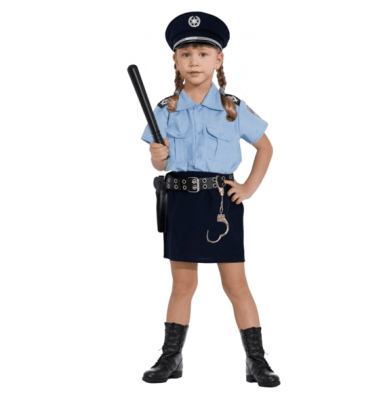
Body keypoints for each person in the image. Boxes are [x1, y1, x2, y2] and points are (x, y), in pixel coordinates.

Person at [140, 11, 280, 388]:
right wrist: (157, 157)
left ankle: (256, 359)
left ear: (218, 59)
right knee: (183, 285)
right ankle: (171, 356)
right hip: (181, 202)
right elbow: (160, 163)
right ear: (175, 60)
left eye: (203, 54)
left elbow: (266, 148)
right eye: (186, 54)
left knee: (236, 284)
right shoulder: (165, 109)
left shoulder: (232, 107)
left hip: (221, 203)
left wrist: (248, 188)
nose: (194, 61)